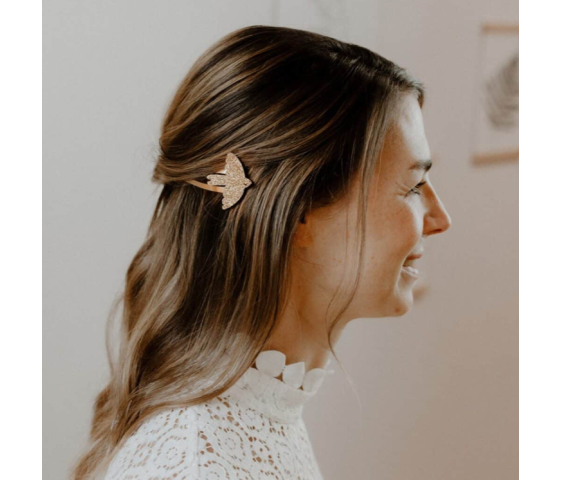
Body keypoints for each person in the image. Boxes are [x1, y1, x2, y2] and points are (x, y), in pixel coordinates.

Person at [73, 25, 451, 480]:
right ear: (299, 210)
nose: (440, 218)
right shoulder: (194, 466)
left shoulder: (262, 406)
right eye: (413, 186)